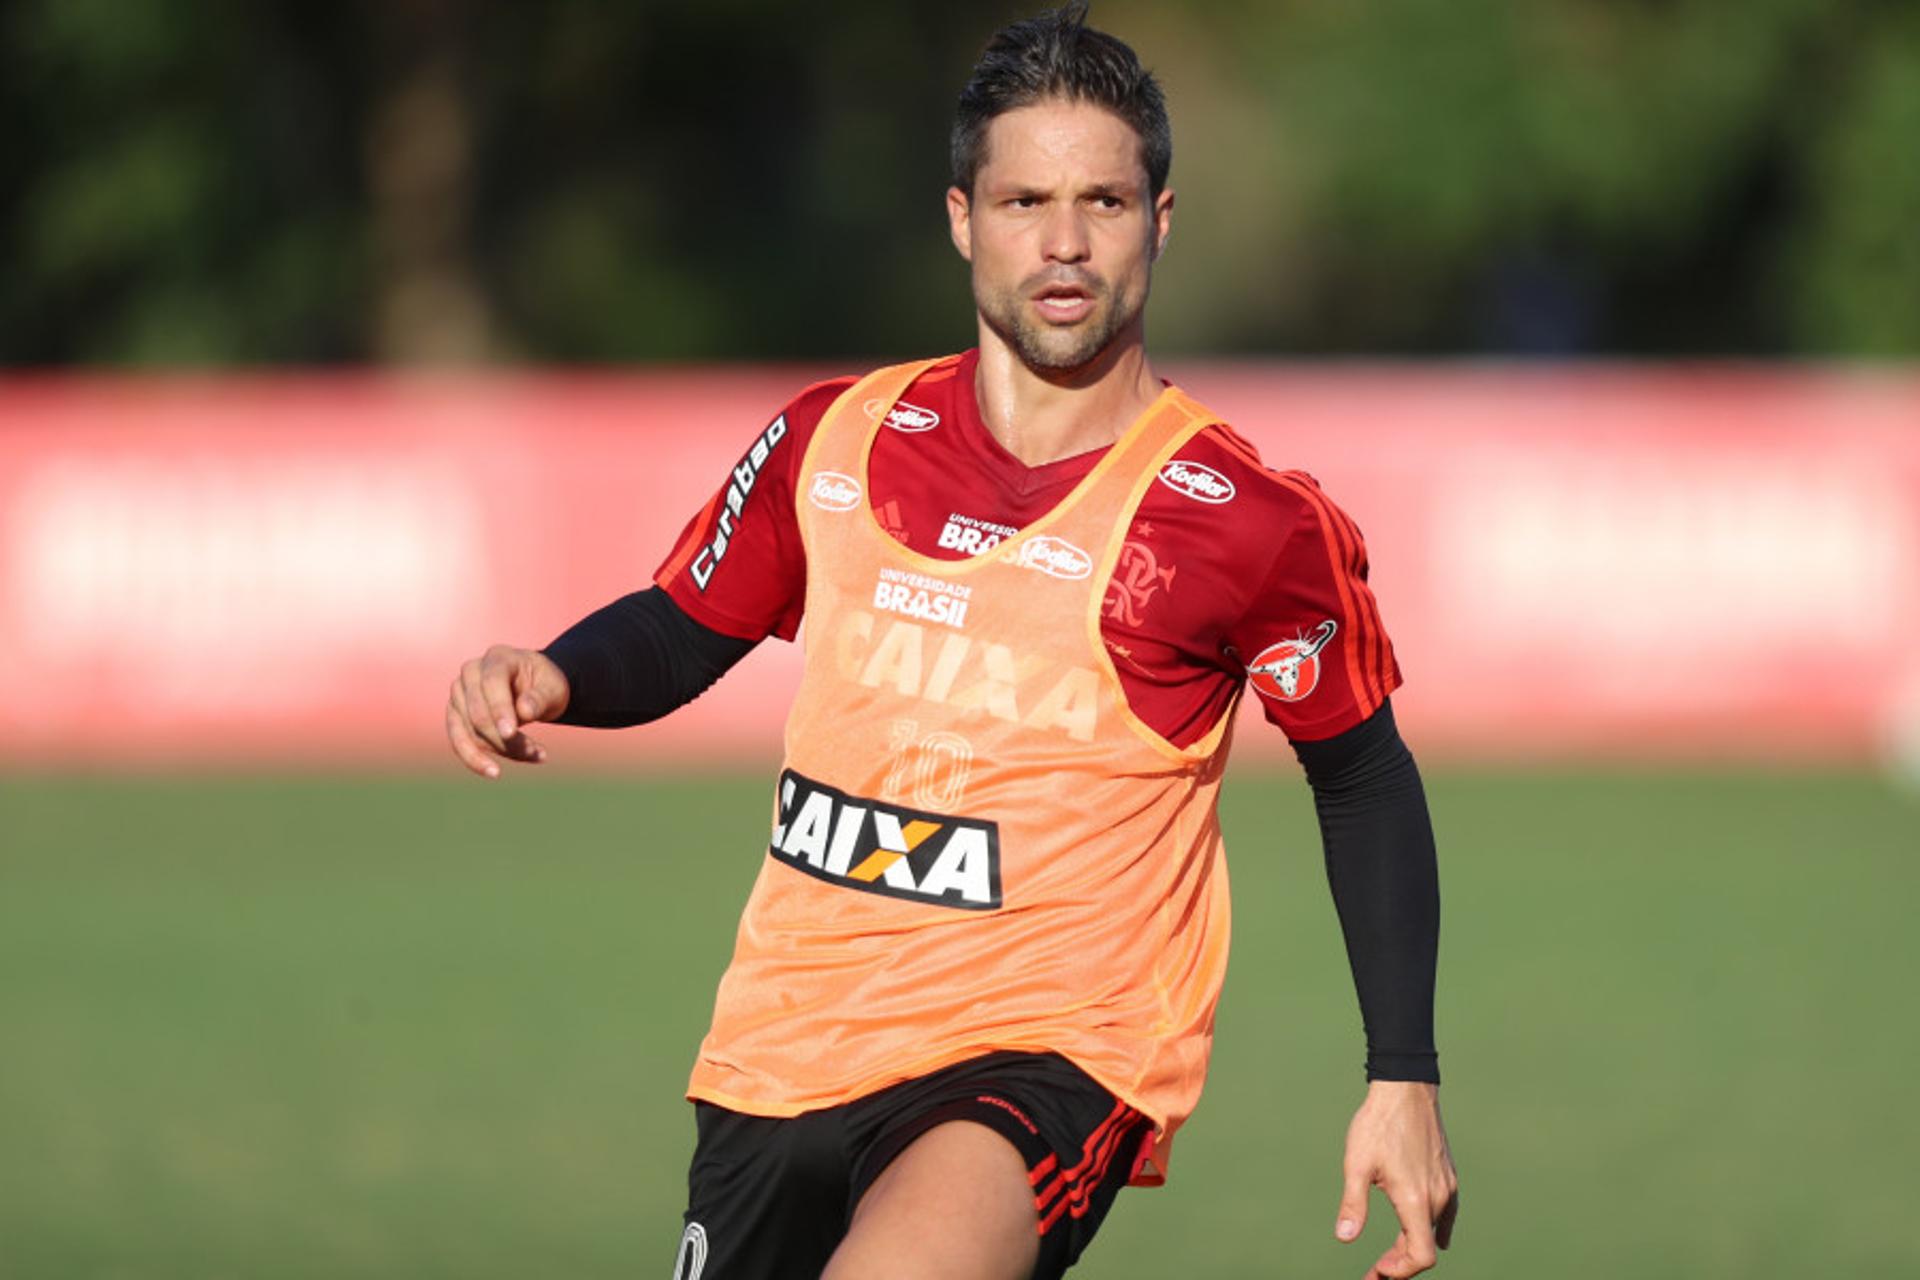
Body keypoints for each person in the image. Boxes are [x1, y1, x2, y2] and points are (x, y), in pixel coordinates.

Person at [445, 5, 1458, 1277]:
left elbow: (1362, 773)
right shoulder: (835, 435)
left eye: (1104, 199)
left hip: (1040, 1061)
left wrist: (1402, 1075)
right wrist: (560, 673)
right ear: (962, 218)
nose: (1066, 241)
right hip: (783, 1047)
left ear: (1160, 220)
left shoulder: (1248, 523)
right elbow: (689, 622)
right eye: (1026, 199)